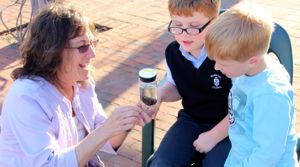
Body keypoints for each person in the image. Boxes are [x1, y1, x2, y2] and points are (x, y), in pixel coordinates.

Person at [0, 3, 141, 167]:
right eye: (83, 46)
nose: (93, 54)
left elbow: (104, 138)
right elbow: (49, 164)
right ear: (52, 52)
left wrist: (126, 122)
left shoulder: (81, 83)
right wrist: (105, 130)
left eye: (93, 43)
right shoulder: (26, 98)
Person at [205, 2, 299, 166]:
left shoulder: (270, 95)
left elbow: (268, 155)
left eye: (224, 64)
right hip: (240, 156)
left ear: (252, 61)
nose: (216, 68)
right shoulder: (246, 69)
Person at [143, 0, 232, 166]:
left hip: (229, 128)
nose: (184, 33)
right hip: (192, 121)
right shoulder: (173, 52)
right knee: (162, 162)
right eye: (177, 24)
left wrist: (213, 136)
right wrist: (160, 95)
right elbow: (175, 85)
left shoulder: (229, 54)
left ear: (214, 22)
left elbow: (245, 107)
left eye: (193, 26)